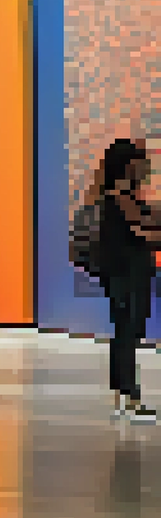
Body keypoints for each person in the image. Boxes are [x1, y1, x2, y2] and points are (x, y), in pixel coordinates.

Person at [88, 139, 161, 422]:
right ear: (128, 165)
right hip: (127, 274)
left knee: (126, 331)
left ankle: (124, 395)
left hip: (126, 273)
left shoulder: (118, 196)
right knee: (128, 332)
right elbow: (143, 231)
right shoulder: (119, 197)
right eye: (141, 162)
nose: (146, 168)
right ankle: (129, 396)